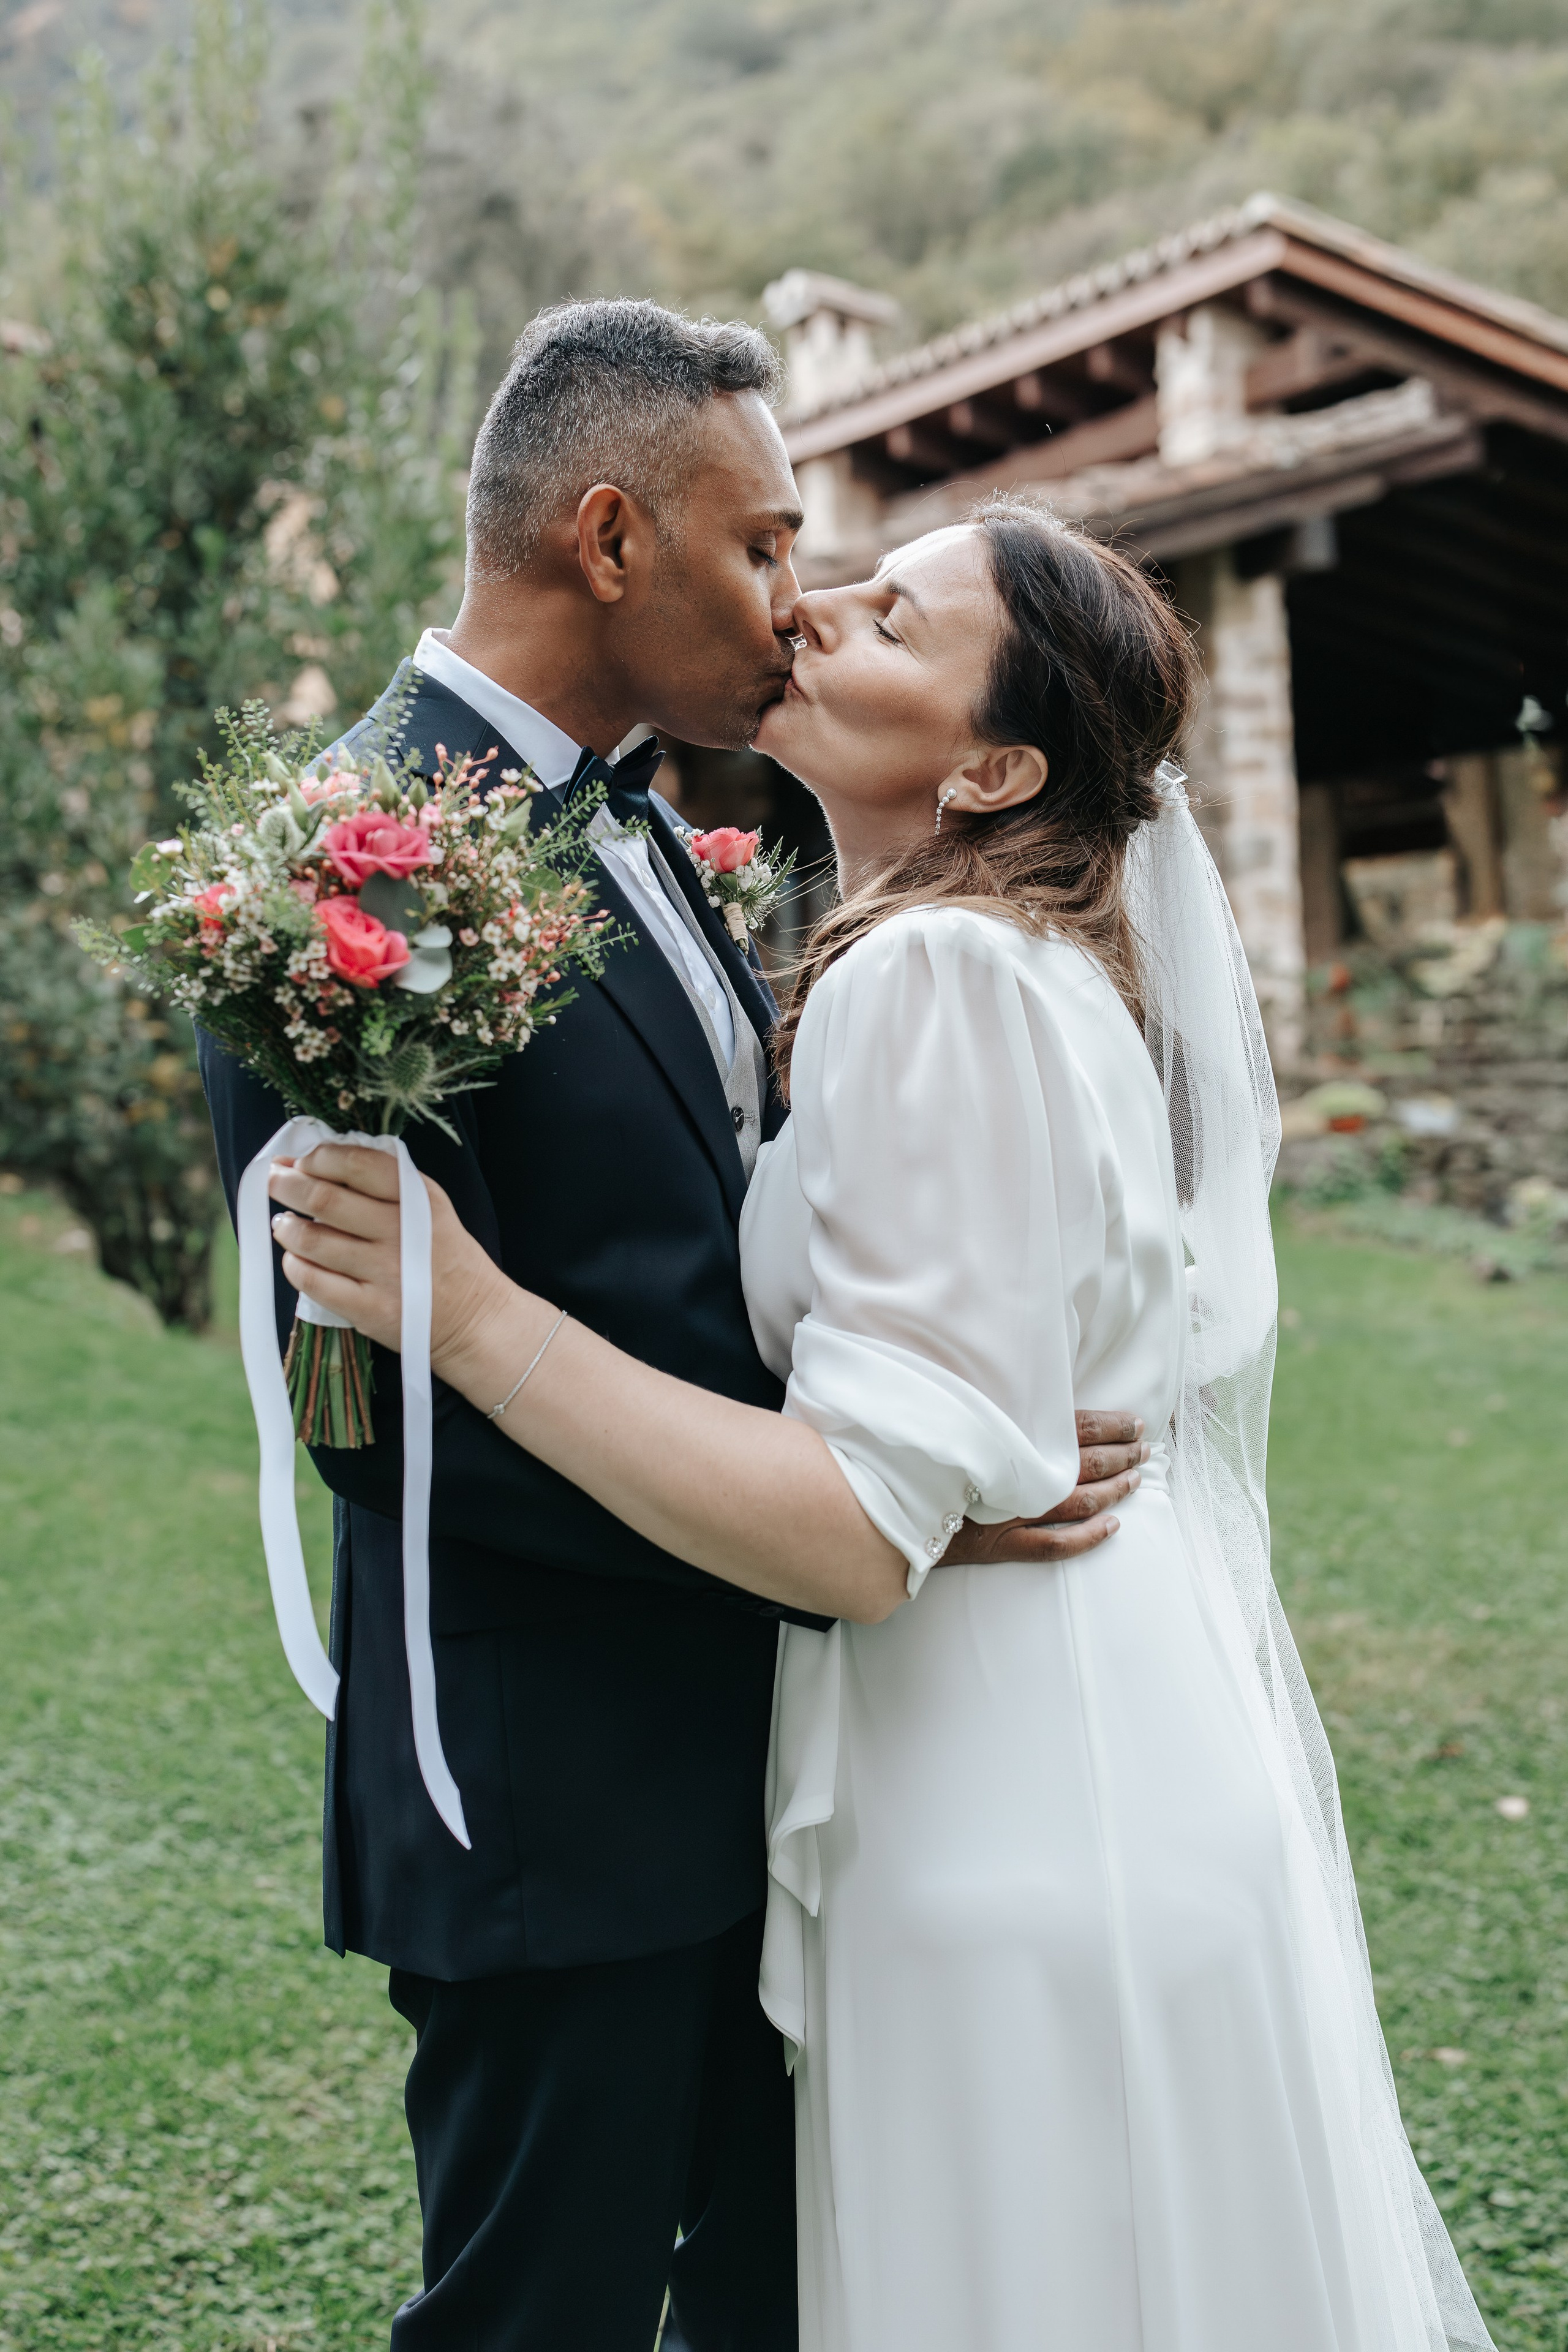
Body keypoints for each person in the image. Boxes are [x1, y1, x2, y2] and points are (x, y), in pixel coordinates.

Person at [273, 502, 1499, 2352]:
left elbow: (857, 1525)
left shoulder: (926, 978)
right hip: (1094, 1736)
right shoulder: (1008, 963)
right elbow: (922, 1409)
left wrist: (478, 1313)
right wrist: (936, 1477)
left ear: (995, 762)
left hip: (1009, 1797)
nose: (810, 609)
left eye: (890, 618)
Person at [199, 303, 1141, 2352]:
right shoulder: (336, 875)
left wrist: (891, 1482)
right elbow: (375, 1419)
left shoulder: (643, 819)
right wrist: (854, 1535)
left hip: (769, 1778)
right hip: (555, 1799)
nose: (795, 605)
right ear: (611, 541)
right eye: (765, 546)